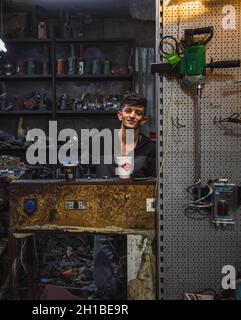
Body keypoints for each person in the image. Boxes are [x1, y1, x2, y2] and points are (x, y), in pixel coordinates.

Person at [93, 92, 156, 298]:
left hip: (136, 219)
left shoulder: (150, 148)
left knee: (135, 275)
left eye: (138, 113)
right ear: (119, 115)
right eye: (128, 111)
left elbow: (153, 184)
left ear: (144, 119)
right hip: (104, 217)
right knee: (104, 278)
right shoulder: (102, 142)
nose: (132, 116)